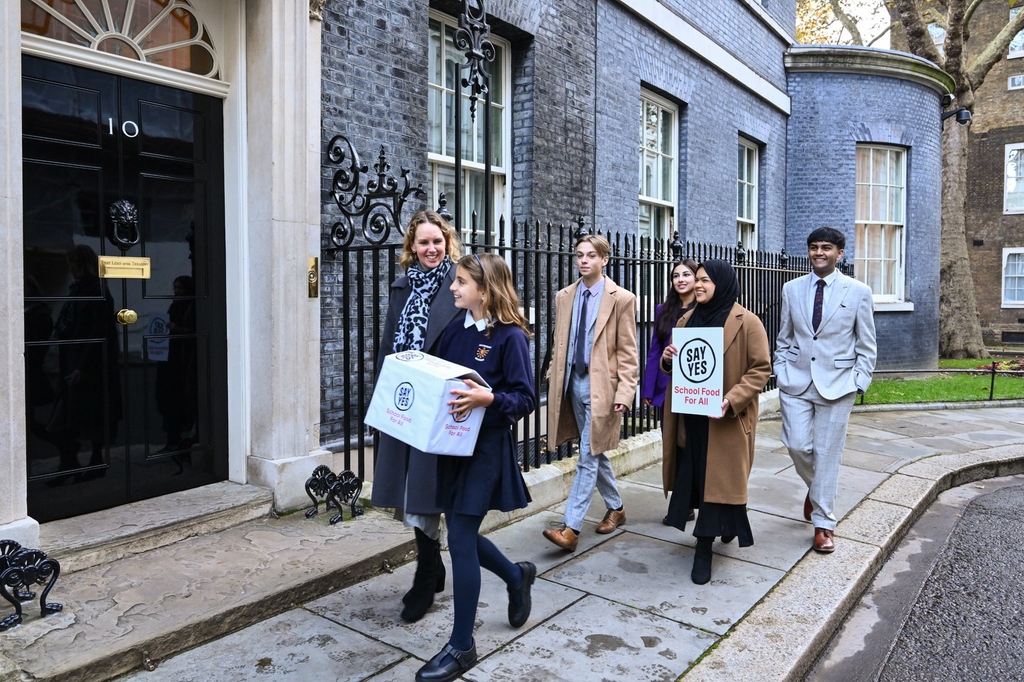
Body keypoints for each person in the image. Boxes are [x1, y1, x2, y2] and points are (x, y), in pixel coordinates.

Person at [416, 252, 536, 682]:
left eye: (461, 282)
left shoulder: (510, 337)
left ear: (484, 290)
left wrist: (489, 399)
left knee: (462, 538)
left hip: (485, 453)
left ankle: (462, 646)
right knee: (461, 532)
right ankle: (516, 575)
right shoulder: (454, 328)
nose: (453, 288)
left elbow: (524, 398)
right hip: (451, 448)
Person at [369, 210, 463, 623]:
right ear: (412, 246)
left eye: (437, 242)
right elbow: (389, 343)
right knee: (410, 490)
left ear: (447, 243)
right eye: (423, 242)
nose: (431, 249)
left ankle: (427, 573)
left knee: (431, 490)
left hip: (442, 403)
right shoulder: (401, 286)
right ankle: (431, 566)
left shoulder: (461, 282)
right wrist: (380, 400)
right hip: (405, 400)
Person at [659, 260, 771, 584]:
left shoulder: (747, 322)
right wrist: (669, 361)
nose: (698, 285)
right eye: (697, 280)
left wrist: (732, 399)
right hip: (693, 418)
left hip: (726, 419)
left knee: (718, 479)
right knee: (701, 478)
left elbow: (760, 369)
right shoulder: (685, 319)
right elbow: (685, 366)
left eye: (705, 281)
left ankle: (703, 548)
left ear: (721, 283)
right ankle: (728, 522)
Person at [774, 227, 876, 554]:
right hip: (796, 381)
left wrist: (859, 381)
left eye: (827, 248)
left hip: (839, 383)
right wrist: (781, 367)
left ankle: (823, 524)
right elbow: (784, 336)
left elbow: (867, 344)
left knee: (828, 454)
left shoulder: (858, 292)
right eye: (814, 247)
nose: (819, 253)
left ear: (839, 254)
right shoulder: (792, 289)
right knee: (796, 444)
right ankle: (816, 489)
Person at [542, 234, 638, 552]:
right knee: (594, 449)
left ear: (604, 260)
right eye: (579, 255)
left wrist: (625, 391)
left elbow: (627, 351)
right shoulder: (565, 296)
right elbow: (561, 342)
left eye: (591, 256)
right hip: (573, 383)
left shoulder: (621, 298)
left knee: (586, 456)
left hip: (604, 390)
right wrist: (553, 373)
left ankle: (570, 528)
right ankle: (617, 507)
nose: (584, 261)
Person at [641, 258, 698, 411]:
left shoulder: (704, 309)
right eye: (676, 276)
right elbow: (655, 351)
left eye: (686, 275)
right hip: (666, 384)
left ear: (696, 278)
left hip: (695, 385)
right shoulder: (663, 310)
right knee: (669, 433)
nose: (680, 280)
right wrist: (648, 389)